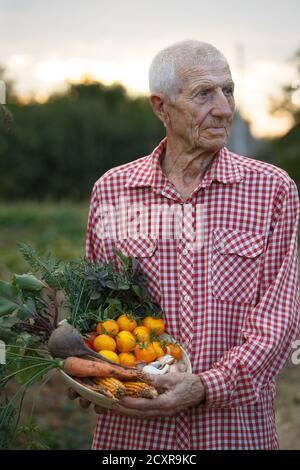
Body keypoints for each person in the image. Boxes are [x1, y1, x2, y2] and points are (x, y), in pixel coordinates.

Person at [69, 39, 300, 450]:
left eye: (228, 91)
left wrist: (205, 386)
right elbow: (95, 310)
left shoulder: (273, 190)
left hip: (233, 434)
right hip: (132, 435)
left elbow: (278, 323)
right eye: (204, 94)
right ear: (161, 107)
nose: (225, 109)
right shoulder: (113, 190)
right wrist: (88, 368)